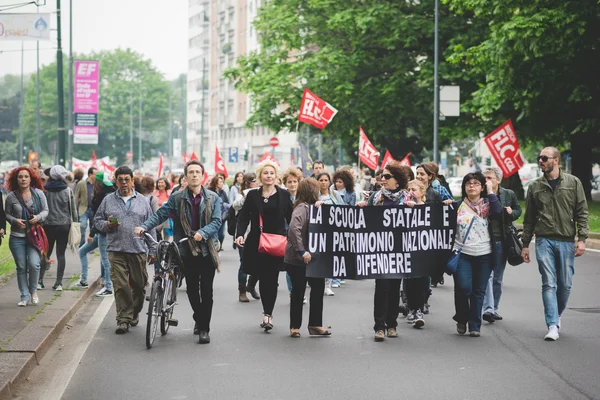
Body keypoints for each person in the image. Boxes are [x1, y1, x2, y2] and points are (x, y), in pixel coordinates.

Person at [137, 160, 221, 344]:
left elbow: (216, 221)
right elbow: (160, 214)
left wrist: (203, 233)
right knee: (191, 289)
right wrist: (144, 227)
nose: (194, 175)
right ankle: (199, 318)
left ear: (203, 175)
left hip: (207, 249)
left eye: (197, 172)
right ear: (186, 176)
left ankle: (204, 328)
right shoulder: (177, 198)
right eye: (190, 172)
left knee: (206, 290)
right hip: (185, 249)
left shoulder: (214, 198)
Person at [521, 147, 588, 341]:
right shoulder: (535, 187)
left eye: (544, 158)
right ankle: (552, 325)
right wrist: (525, 244)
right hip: (544, 240)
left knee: (565, 284)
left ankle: (556, 314)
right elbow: (529, 219)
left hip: (566, 240)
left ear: (556, 160)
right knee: (549, 283)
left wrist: (582, 239)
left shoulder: (573, 183)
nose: (540, 161)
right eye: (539, 158)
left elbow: (582, 212)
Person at [94, 166, 157, 334]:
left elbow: (150, 226)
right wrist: (108, 225)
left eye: (126, 179)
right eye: (120, 179)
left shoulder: (143, 201)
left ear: (132, 181)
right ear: (116, 181)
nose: (123, 183)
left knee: (139, 286)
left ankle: (134, 312)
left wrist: (153, 249)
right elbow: (97, 221)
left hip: (137, 250)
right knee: (121, 286)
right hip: (116, 250)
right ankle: (123, 319)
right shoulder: (108, 200)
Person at [235, 161, 293, 332]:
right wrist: (239, 234)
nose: (269, 176)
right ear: (260, 176)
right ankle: (259, 299)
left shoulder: (283, 195)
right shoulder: (253, 195)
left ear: (276, 176)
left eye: (271, 173)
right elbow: (243, 217)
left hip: (277, 242)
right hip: (256, 242)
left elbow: (291, 217)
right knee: (262, 275)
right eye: (265, 173)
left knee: (272, 279)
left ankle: (268, 314)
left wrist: (295, 238)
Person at [357, 163, 409, 341]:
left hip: (400, 250)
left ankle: (392, 324)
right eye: (382, 176)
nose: (383, 180)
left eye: (387, 177)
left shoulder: (407, 199)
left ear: (397, 180)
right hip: (380, 249)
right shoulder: (376, 198)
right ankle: (379, 326)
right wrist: (362, 208)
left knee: (395, 287)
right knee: (382, 287)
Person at [452, 172, 502, 337]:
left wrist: (491, 191)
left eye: (475, 183)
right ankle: (461, 317)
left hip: (484, 254)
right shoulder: (457, 206)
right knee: (463, 287)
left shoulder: (488, 205)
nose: (471, 186)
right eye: (468, 183)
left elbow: (498, 212)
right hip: (463, 254)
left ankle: (475, 325)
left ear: (482, 187)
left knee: (479, 291)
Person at [285, 178, 330, 338]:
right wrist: (302, 251)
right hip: (298, 259)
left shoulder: (312, 207)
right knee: (298, 291)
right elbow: (293, 229)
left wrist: (321, 209)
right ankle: (295, 326)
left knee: (317, 289)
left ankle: (315, 324)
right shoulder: (301, 208)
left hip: (313, 258)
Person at [481, 167, 521, 323]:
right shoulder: (482, 194)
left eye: (489, 178)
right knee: (487, 276)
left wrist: (512, 212)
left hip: (501, 240)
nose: (486, 181)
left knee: (497, 278)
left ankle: (494, 308)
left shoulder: (508, 194)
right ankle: (488, 308)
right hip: (485, 240)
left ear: (498, 180)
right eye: (484, 178)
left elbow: (518, 210)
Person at [4, 167, 48, 306]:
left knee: (34, 265)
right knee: (21, 267)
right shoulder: (11, 196)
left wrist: (38, 217)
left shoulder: (39, 194)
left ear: (31, 178)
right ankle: (24, 296)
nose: (23, 179)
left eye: (26, 176)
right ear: (15, 179)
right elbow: (6, 214)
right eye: (20, 177)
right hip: (17, 237)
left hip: (34, 236)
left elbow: (46, 210)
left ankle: (33, 291)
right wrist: (14, 221)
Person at [38, 166, 78, 291]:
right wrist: (76, 223)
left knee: (46, 253)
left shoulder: (45, 190)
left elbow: (41, 208)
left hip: (48, 225)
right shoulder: (67, 190)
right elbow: (73, 210)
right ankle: (59, 283)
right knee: (61, 254)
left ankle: (39, 281)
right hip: (64, 225)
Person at [77, 172, 115, 294]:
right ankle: (84, 280)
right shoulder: (111, 193)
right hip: (101, 231)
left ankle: (108, 287)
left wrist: (91, 233)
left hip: (102, 232)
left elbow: (98, 217)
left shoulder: (101, 196)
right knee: (83, 251)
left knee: (105, 260)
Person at [401, 179, 432, 328]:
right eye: (408, 190)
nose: (411, 193)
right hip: (407, 248)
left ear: (422, 192)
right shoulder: (403, 208)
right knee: (410, 281)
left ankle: (419, 309)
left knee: (421, 281)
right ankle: (412, 308)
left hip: (422, 250)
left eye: (414, 190)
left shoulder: (428, 208)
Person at [232, 172, 260, 302]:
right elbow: (235, 205)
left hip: (259, 234)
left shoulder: (261, 193)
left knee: (259, 262)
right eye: (254, 181)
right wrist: (245, 197)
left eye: (257, 180)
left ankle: (251, 285)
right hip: (244, 233)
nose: (257, 183)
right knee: (244, 263)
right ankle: (242, 291)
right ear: (248, 183)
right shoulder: (241, 194)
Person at [282, 168, 305, 303]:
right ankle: (293, 292)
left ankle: (300, 292)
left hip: (302, 235)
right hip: (286, 235)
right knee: (290, 265)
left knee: (301, 266)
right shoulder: (283, 197)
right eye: (289, 182)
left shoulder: (303, 197)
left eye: (295, 181)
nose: (292, 184)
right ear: (285, 183)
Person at [315, 171, 336, 296]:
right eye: (321, 180)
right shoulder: (313, 195)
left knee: (330, 259)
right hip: (318, 232)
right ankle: (318, 282)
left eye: (326, 180)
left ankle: (328, 285)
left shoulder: (334, 195)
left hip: (332, 232)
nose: (323, 182)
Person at [74, 167, 98, 247]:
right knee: (82, 226)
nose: (96, 176)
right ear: (90, 174)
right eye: (95, 174)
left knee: (93, 228)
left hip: (93, 209)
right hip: (83, 208)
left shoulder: (97, 183)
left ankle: (90, 246)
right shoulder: (81, 183)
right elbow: (76, 196)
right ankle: (82, 245)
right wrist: (75, 209)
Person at [207, 174, 230, 249]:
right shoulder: (209, 192)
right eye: (220, 182)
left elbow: (227, 202)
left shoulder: (223, 192)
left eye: (222, 182)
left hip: (222, 217)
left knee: (221, 234)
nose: (222, 184)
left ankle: (219, 246)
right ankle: (215, 248)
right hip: (212, 217)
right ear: (216, 183)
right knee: (214, 234)